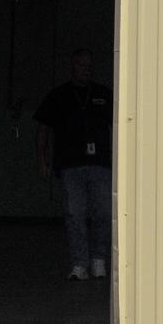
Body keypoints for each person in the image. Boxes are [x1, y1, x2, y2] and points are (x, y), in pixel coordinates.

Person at [34, 48, 113, 281]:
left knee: (103, 212)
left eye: (89, 66)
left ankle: (98, 260)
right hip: (70, 164)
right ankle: (79, 264)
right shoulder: (59, 95)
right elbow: (42, 129)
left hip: (100, 163)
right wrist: (42, 159)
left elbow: (120, 125)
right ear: (73, 67)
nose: (85, 70)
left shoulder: (103, 94)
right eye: (81, 65)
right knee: (74, 214)